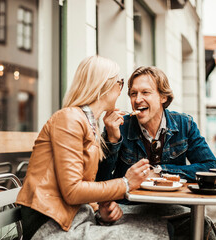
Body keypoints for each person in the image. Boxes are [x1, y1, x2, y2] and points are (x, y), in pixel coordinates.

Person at [16, 56, 172, 240]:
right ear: (103, 86)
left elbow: (82, 183)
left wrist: (100, 211)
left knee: (161, 226)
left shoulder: (88, 124)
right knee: (156, 233)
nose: (123, 91)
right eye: (119, 83)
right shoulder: (69, 119)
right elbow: (73, 191)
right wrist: (126, 183)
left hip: (74, 218)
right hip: (49, 224)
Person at [97, 66, 216, 182]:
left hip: (172, 201)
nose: (138, 99)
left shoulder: (184, 124)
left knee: (179, 207)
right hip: (130, 203)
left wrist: (160, 172)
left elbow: (212, 168)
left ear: (163, 97)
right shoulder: (119, 127)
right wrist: (112, 140)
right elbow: (101, 180)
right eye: (133, 93)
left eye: (145, 92)